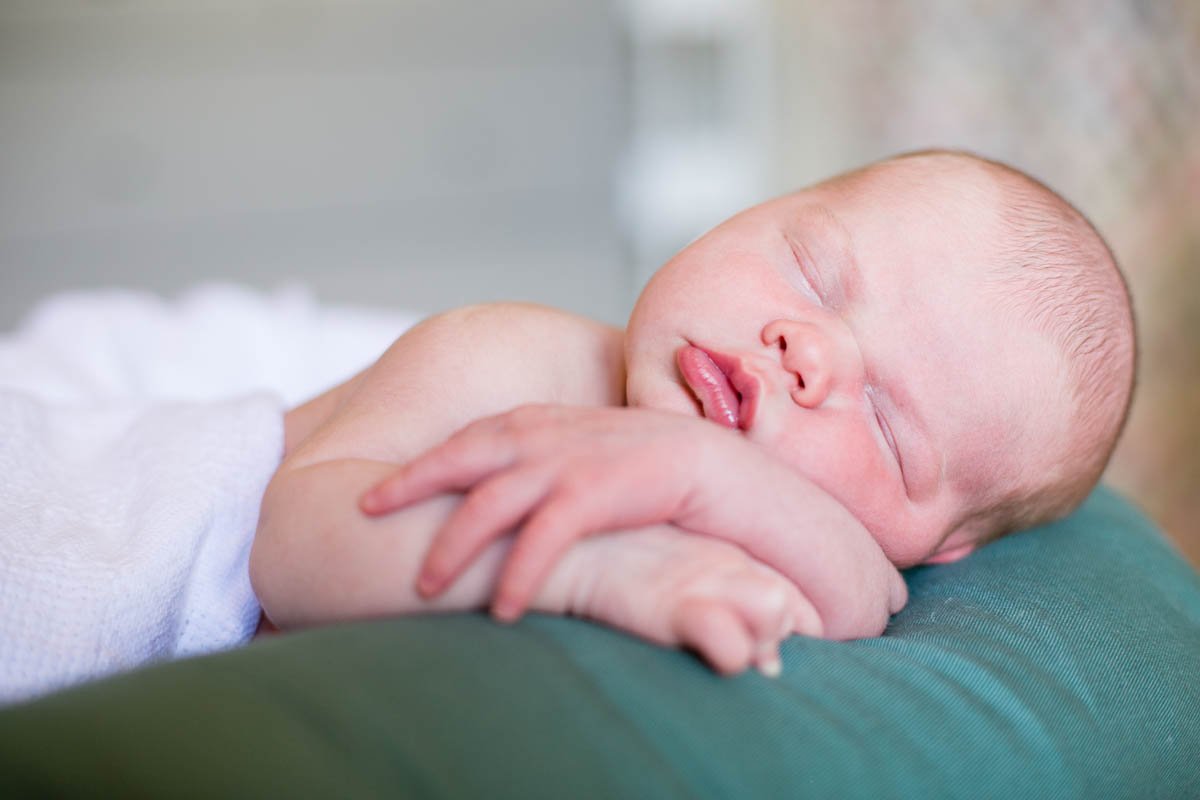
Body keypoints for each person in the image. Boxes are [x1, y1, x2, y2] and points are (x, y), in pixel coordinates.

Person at [250, 149, 1136, 676]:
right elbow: (290, 543)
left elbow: (863, 596)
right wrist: (592, 568)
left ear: (937, 544)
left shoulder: (815, 540)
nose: (808, 352)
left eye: (887, 424)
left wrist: (716, 478)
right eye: (812, 273)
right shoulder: (513, 359)